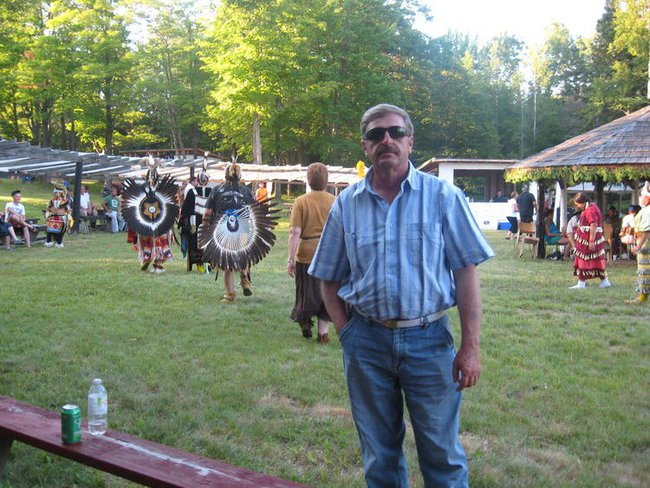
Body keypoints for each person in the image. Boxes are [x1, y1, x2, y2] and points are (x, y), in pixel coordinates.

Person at [309, 104, 494, 487]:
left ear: (410, 141)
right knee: (380, 458)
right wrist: (347, 331)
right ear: (365, 146)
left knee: (442, 455)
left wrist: (471, 348)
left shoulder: (443, 197)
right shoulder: (347, 204)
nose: (386, 140)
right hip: (367, 344)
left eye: (395, 132)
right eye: (376, 134)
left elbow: (466, 273)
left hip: (430, 342)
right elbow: (328, 275)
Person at [287, 163, 335, 343]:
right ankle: (323, 334)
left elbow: (295, 232)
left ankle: (305, 322)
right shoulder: (335, 201)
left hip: (306, 254)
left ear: (308, 180)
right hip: (329, 254)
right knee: (326, 293)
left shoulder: (301, 201)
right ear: (326, 181)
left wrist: (290, 259)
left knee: (306, 290)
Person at [203, 163, 256, 303]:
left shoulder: (217, 190)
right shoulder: (246, 191)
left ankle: (230, 294)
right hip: (243, 229)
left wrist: (205, 228)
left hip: (223, 231)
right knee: (242, 255)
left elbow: (207, 213)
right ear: (240, 175)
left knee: (227, 264)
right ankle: (244, 277)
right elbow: (255, 212)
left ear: (226, 174)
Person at [569, 192, 611, 289]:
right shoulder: (593, 207)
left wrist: (591, 241)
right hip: (590, 239)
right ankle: (604, 281)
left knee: (582, 259)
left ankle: (581, 283)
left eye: (578, 204)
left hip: (587, 241)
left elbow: (593, 224)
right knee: (596, 260)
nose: (578, 206)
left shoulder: (590, 210)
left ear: (583, 202)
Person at [626, 183, 650, 304]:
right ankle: (642, 297)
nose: (640, 198)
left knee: (646, 271)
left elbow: (647, 231)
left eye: (642, 195)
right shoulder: (645, 210)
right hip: (643, 243)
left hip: (646, 244)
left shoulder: (648, 211)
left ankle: (642, 298)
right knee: (644, 272)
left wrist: (638, 246)